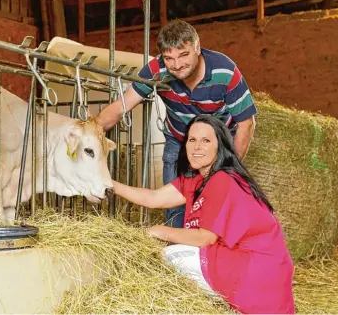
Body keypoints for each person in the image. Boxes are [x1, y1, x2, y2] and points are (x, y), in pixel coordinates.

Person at [111, 115, 295, 314]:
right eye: (192, 140)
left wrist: (158, 231)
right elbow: (153, 198)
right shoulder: (197, 179)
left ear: (220, 146)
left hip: (258, 267)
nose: (197, 147)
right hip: (242, 261)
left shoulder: (223, 179)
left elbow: (204, 238)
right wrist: (108, 185)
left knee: (171, 257)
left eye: (206, 141)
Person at [97, 20, 257, 228]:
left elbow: (246, 122)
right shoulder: (157, 70)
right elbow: (121, 107)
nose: (177, 65)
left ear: (197, 48)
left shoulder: (224, 72)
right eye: (169, 58)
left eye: (183, 55)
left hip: (214, 143)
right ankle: (177, 250)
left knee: (212, 200)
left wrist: (228, 168)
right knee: (173, 205)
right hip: (178, 138)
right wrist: (90, 130)